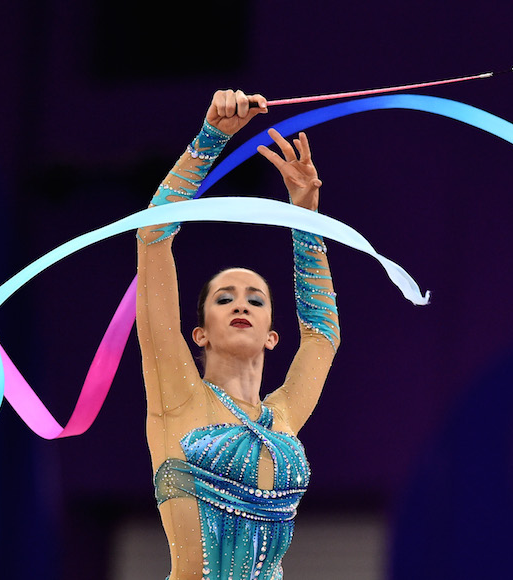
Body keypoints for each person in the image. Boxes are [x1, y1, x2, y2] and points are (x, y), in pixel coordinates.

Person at [136, 89, 340, 580]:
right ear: (199, 334)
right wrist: (209, 140)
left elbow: (321, 335)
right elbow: (152, 234)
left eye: (256, 298)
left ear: (273, 335)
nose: (242, 303)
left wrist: (304, 214)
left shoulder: (284, 414)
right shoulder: (178, 398)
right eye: (224, 298)